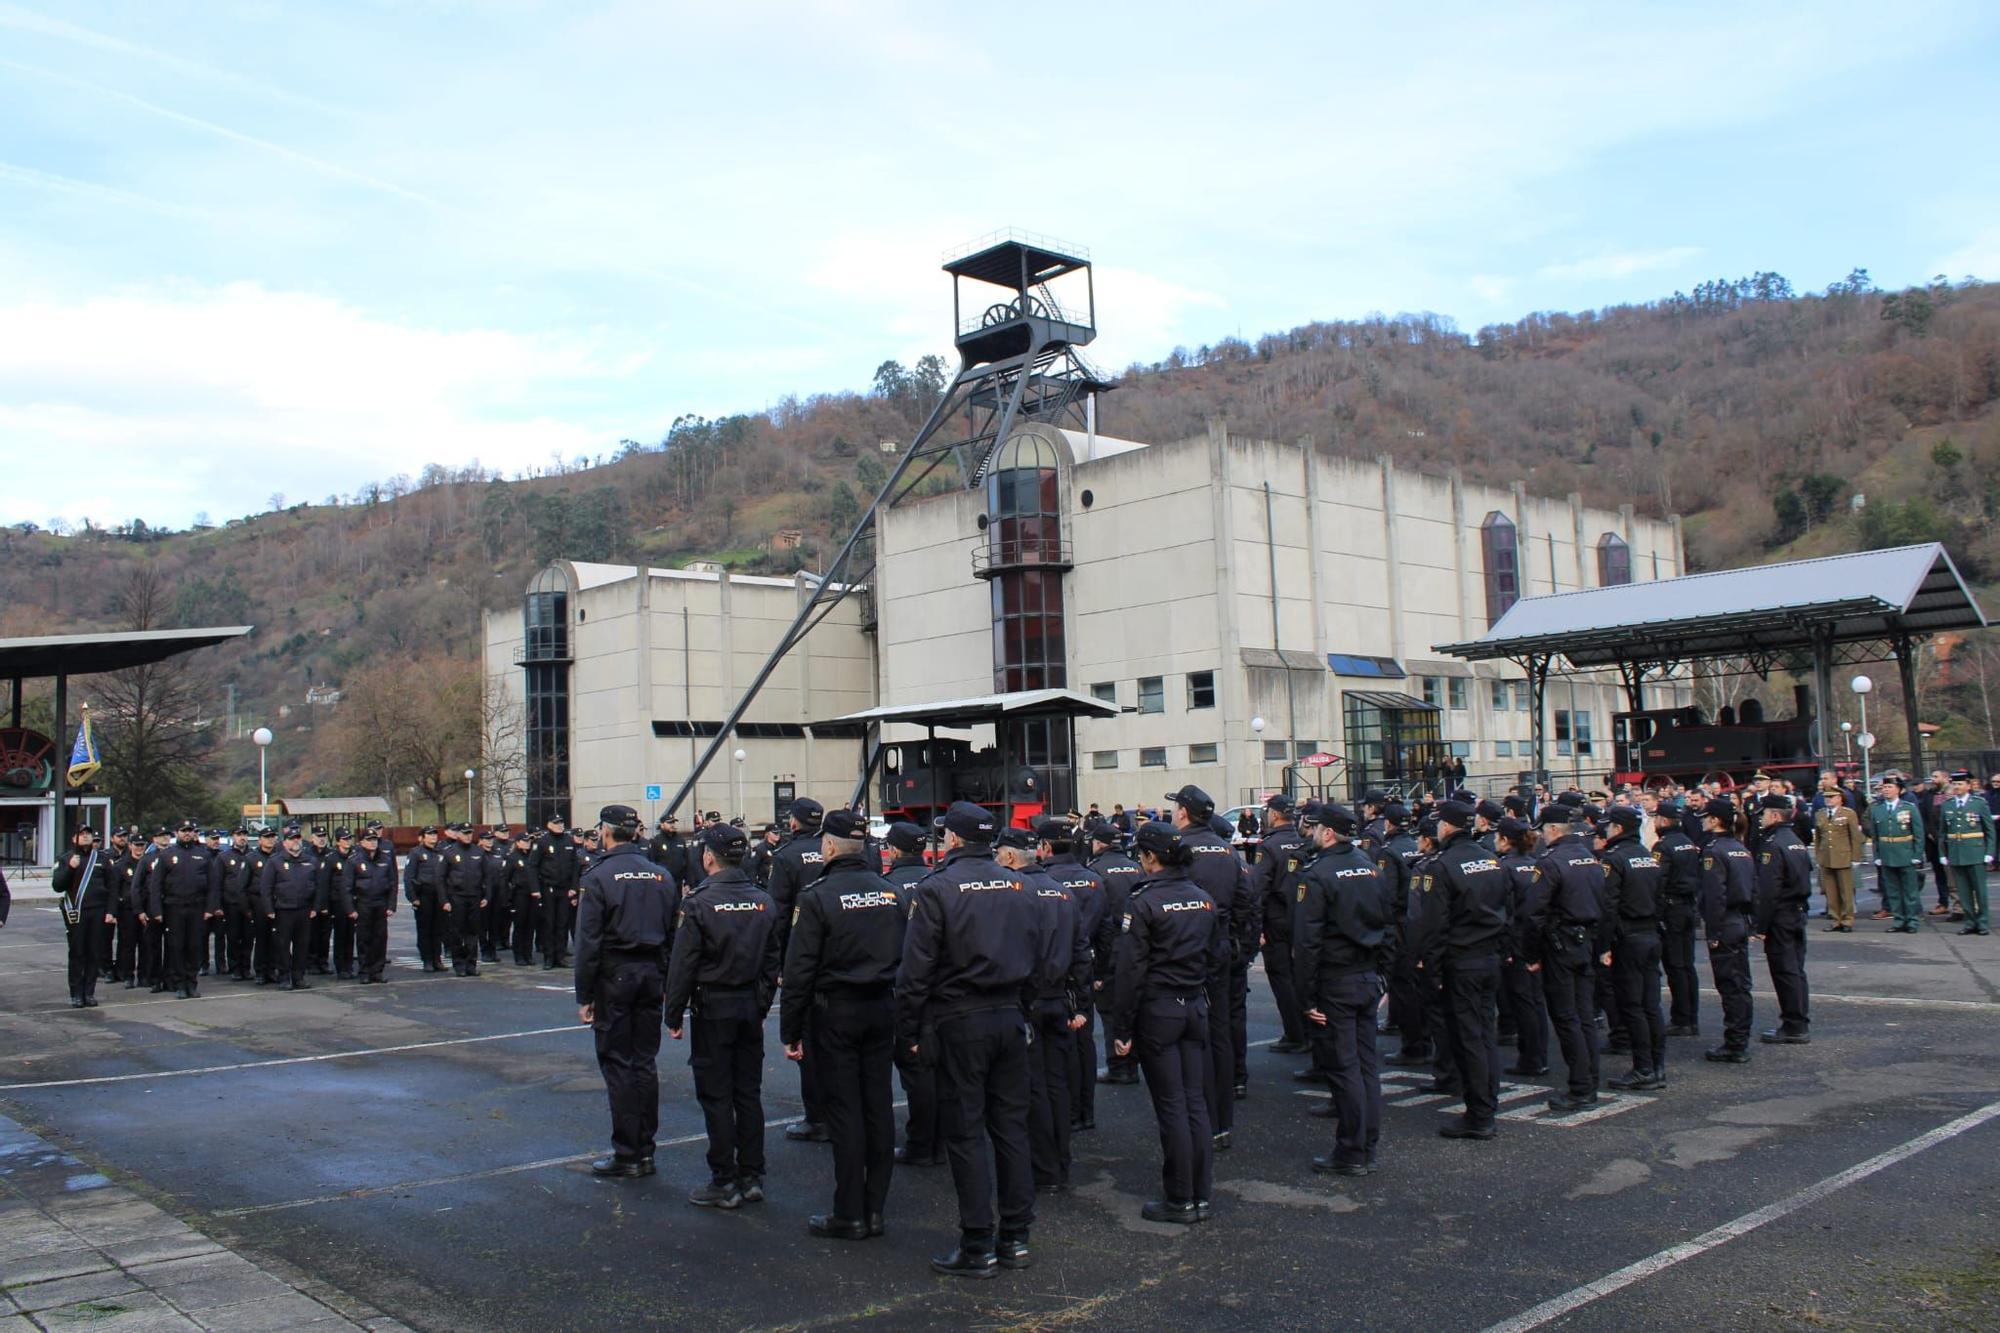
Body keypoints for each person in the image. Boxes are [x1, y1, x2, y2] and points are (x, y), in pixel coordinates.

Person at [896, 800, 1044, 1278]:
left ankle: (979, 1241)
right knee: (1011, 1128)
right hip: (1009, 1016)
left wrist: (911, 1029)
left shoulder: (936, 888)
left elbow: (915, 971)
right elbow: (1039, 954)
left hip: (960, 1020)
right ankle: (1017, 1236)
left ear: (954, 840)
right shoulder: (1022, 884)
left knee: (965, 1133)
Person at [781, 808, 907, 1240]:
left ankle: (849, 1211)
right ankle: (875, 1209)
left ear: (829, 846)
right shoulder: (891, 893)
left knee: (845, 1112)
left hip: (836, 1012)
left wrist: (790, 1029)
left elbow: (799, 971)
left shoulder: (816, 897)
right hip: (882, 1008)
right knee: (878, 1106)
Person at [665, 822, 779, 1208]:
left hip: (714, 1006)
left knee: (716, 1094)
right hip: (748, 1004)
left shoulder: (698, 902)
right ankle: (751, 1174)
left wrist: (673, 1013)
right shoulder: (763, 899)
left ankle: (724, 1178)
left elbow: (684, 963)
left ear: (708, 857)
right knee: (747, 1092)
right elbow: (771, 960)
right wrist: (762, 1003)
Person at [1109, 821, 1218, 1223]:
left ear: (1150, 857)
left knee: (1172, 1106)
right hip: (1194, 1005)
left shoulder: (1143, 901)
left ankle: (1179, 1198)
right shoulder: (1203, 898)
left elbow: (1130, 971)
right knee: (1194, 1103)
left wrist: (1122, 1031)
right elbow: (1216, 954)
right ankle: (1199, 1195)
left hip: (1160, 1011)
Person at [571, 804, 677, 1178]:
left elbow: (588, 941)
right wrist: (666, 980)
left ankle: (628, 1151)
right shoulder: (661, 875)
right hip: (651, 973)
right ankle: (644, 1148)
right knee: (644, 1062)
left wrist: (584, 995)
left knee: (618, 1063)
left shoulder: (598, 876)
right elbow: (671, 936)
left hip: (616, 976)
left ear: (606, 831)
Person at [1293, 803, 1388, 1177]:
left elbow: (1307, 943)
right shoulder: (1370, 866)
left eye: (1317, 828)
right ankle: (1366, 1144)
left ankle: (1351, 1150)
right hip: (1366, 977)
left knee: (1345, 1067)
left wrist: (1307, 997)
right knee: (1366, 1067)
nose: (1313, 832)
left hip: (1337, 981)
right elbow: (1389, 923)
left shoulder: (1316, 875)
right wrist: (1383, 977)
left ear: (1328, 833)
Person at [995, 824, 1087, 1195]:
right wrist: (1079, 1002)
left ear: (1013, 857)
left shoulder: (1015, 892)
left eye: (999, 854)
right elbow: (1081, 952)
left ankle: (1045, 1168)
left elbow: (1009, 949)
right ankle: (1060, 1163)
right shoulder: (1063, 894)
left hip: (1029, 1001)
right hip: (1059, 1000)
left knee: (1032, 1088)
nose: (996, 861)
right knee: (1057, 1085)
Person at [1416, 800, 1511, 1140]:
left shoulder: (1442, 866)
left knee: (1469, 1038)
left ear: (1446, 826)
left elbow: (1435, 926)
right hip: (1488, 958)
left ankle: (1480, 1114)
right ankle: (1487, 1103)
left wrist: (1434, 971)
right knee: (1484, 1035)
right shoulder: (1491, 858)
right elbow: (1507, 909)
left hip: (1463, 961)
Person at [1167, 786, 1247, 1145]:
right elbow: (1248, 904)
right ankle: (1222, 1122)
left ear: (1184, 812)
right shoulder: (1230, 852)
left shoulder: (1178, 849)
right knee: (1220, 1033)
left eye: (1175, 808)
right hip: (1222, 948)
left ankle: (1200, 1119)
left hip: (1187, 953)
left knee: (1188, 1039)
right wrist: (1240, 950)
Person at [1526, 804, 1604, 1111]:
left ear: (1554, 830)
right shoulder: (1590, 858)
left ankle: (1581, 1087)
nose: (1542, 835)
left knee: (1567, 1016)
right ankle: (1590, 1079)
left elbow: (1534, 914)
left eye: (1544, 829)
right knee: (1584, 1015)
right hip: (1585, 940)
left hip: (1560, 944)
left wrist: (1531, 954)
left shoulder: (1550, 863)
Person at [1038, 818, 1110, 1134]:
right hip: (1086, 966)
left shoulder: (1042, 883)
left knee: (1056, 1049)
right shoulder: (1093, 878)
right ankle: (1086, 1110)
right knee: (1084, 1042)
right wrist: (1102, 971)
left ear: (1045, 846)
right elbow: (1106, 930)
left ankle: (1066, 1111)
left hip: (1054, 973)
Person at [768, 798, 830, 1145]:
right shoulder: (837, 846)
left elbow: (777, 913)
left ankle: (818, 1117)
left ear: (793, 823)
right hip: (846, 953)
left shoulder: (787, 856)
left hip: (804, 953)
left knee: (808, 1037)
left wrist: (777, 963)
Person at [882, 822, 942, 1167]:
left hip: (905, 985)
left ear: (892, 849)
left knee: (914, 1066)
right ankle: (941, 1136)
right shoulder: (939, 880)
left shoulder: (888, 887)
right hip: (945, 986)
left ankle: (922, 1142)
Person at [1599, 807, 1666, 1091]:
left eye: (1607, 827)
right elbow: (1660, 895)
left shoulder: (1614, 860)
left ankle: (1643, 1068)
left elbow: (1608, 907)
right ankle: (1656, 1066)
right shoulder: (1647, 856)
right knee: (1651, 1005)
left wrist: (1603, 946)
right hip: (1651, 933)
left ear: (1617, 828)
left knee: (1633, 1005)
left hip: (1629, 937)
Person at [1084, 819, 1145, 1085]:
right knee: (1135, 1005)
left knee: (1110, 1009)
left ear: (1098, 843)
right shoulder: (1137, 867)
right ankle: (1132, 1062)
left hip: (1112, 945)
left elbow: (1099, 917)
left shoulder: (1096, 871)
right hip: (1139, 944)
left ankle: (1119, 1066)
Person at [1696, 799, 1756, 1062]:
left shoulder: (1714, 850)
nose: (1702, 820)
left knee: (1730, 985)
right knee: (1741, 984)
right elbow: (1754, 888)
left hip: (1726, 922)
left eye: (1706, 816)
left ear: (1715, 820)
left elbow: (1714, 895)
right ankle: (1739, 1037)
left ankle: (1735, 1043)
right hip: (1741, 919)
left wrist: (1713, 932)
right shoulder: (1740, 848)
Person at [1752, 793, 1814, 1043]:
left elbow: (1768, 890)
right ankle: (1798, 1019)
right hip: (1797, 910)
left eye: (1763, 814)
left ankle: (1794, 1024)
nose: (1760, 819)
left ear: (1775, 815)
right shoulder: (1794, 840)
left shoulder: (1773, 843)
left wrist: (1760, 925)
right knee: (1796, 969)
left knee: (1785, 970)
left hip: (1782, 914)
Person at [1252, 795, 1311, 1054]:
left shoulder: (1268, 846)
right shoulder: (1304, 840)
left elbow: (1259, 890)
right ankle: (1308, 1029)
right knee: (1302, 975)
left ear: (1274, 815)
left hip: (1277, 920)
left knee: (1281, 976)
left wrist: (1256, 926)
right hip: (1303, 917)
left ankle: (1296, 1033)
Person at [1495, 817, 1549, 1077]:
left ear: (1505, 840)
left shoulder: (1504, 868)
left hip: (1516, 942)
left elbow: (1504, 912)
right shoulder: (1536, 864)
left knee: (1522, 1002)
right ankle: (1539, 1054)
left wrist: (1504, 949)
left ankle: (1531, 1058)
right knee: (1536, 1000)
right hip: (1536, 940)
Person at [152, 818, 223, 1000]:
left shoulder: (203, 855)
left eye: (190, 830)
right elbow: (156, 885)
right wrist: (157, 911)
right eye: (184, 830)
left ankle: (192, 982)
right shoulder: (167, 855)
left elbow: (213, 885)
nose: (187, 833)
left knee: (194, 946)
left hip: (197, 907)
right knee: (176, 947)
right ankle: (179, 984)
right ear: (177, 833)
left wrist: (210, 908)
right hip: (174, 907)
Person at [1652, 801, 1703, 1037]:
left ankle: (1681, 1018)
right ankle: (1691, 1016)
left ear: (1663, 821)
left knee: (1675, 966)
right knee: (1687, 965)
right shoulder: (1689, 844)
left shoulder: (1663, 847)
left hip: (1671, 910)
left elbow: (1658, 882)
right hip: (1688, 907)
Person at [52, 824, 116, 1007]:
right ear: (74, 839)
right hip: (76, 912)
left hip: (98, 911)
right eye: (82, 834)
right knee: (77, 953)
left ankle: (89, 992)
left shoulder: (102, 858)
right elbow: (57, 886)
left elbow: (112, 887)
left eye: (88, 833)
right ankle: (76, 994)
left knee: (94, 953)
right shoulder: (65, 858)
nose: (86, 837)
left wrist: (111, 911)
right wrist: (70, 868)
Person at [255, 826, 322, 991]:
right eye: (292, 839)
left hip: (304, 910)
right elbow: (266, 888)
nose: (295, 841)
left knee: (302, 945)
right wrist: (269, 909)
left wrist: (316, 907)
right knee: (282, 945)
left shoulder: (310, 861)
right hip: (283, 910)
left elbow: (319, 887)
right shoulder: (275, 862)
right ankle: (284, 977)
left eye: (298, 838)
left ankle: (299, 977)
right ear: (284, 843)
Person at [1938, 770, 1995, 936]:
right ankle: (1970, 922)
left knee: (1979, 890)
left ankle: (1982, 922)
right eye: (1955, 784)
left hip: (1975, 852)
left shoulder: (1979, 803)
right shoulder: (1947, 805)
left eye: (1960, 784)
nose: (1957, 787)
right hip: (1956, 853)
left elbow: (1989, 830)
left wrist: (1989, 852)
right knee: (1963, 891)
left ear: (1968, 786)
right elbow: (1943, 833)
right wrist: (1943, 853)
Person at [1867, 776, 1925, 932]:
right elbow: (1875, 836)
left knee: (1910, 891)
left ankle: (1912, 921)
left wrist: (1917, 855)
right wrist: (1877, 856)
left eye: (1889, 787)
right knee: (1892, 891)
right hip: (1887, 854)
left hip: (1905, 853)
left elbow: (1918, 834)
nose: (1886, 790)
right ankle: (1898, 920)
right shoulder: (1877, 809)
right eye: (1884, 788)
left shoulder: (1909, 807)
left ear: (1899, 789)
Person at [347, 829, 397, 984]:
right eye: (369, 839)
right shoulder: (354, 860)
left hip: (380, 903)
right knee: (364, 938)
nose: (373, 842)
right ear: (361, 842)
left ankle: (377, 971)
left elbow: (392, 883)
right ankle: (364, 971)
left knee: (380, 939)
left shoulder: (386, 858)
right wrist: (351, 909)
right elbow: (347, 887)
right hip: (363, 903)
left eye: (374, 839)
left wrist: (391, 905)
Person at [1812, 788, 1864, 932]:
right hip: (1826, 857)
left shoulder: (1848, 814)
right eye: (1826, 797)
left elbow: (1855, 837)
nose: (1828, 799)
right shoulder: (1820, 814)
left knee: (1845, 891)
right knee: (1830, 891)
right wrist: (1818, 857)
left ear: (1840, 798)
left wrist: (1855, 857)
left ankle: (1847, 920)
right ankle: (1836, 919)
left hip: (1843, 857)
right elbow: (1818, 838)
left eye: (1832, 797)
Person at [532, 815, 577, 969]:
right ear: (549, 824)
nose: (560, 825)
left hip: (565, 889)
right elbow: (533, 866)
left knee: (563, 923)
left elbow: (575, 866)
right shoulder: (543, 842)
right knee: (549, 923)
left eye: (562, 822)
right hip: (548, 887)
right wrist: (535, 888)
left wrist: (574, 887)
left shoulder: (569, 841)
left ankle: (561, 955)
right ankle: (549, 957)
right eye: (556, 823)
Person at [404, 825, 446, 971]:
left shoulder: (442, 852)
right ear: (422, 837)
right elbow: (409, 876)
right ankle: (427, 959)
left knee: (439, 929)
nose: (433, 837)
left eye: (435, 834)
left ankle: (437, 958)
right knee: (425, 929)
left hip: (439, 895)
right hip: (423, 895)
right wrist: (413, 897)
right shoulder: (416, 853)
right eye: (429, 834)